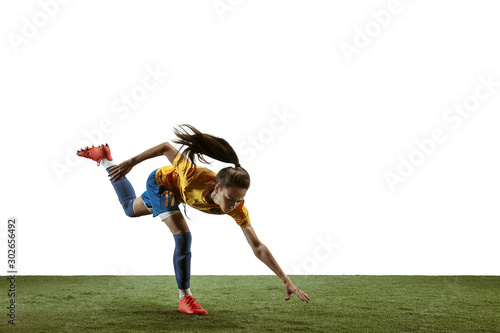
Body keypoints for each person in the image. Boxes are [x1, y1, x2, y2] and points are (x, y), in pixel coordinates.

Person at [77, 124, 310, 315]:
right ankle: (185, 298)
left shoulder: (237, 208)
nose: (234, 205)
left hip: (176, 194)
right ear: (217, 189)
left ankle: (105, 160)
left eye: (240, 200)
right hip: (161, 184)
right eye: (230, 199)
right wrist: (132, 162)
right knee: (183, 237)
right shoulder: (192, 176)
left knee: (129, 208)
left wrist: (285, 278)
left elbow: (257, 247)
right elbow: (166, 148)